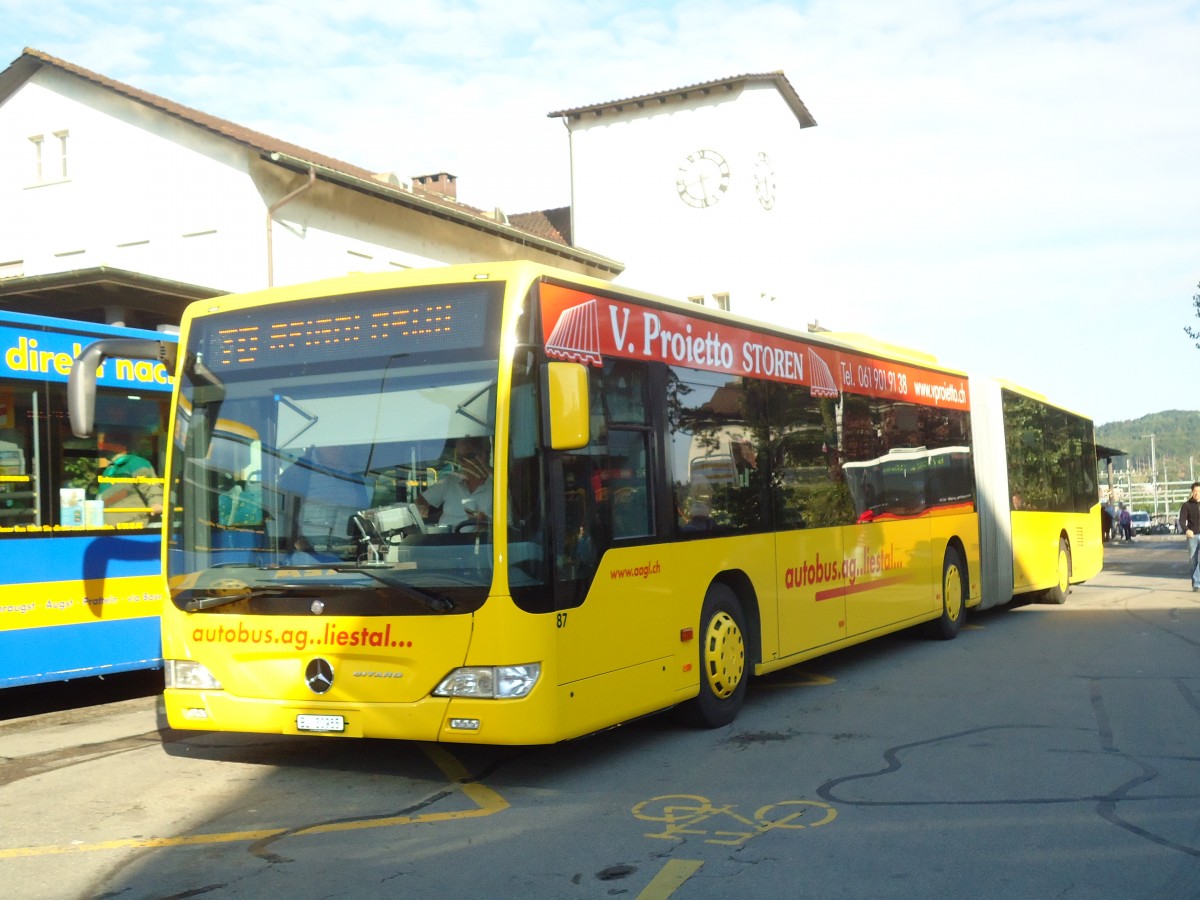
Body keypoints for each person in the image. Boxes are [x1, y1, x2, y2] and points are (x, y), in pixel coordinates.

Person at [278, 444, 371, 557]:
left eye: (343, 446)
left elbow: (364, 516)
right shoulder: (298, 473)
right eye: (335, 445)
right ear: (320, 445)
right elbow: (283, 518)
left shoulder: (355, 477)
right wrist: (301, 547)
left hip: (349, 555)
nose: (340, 449)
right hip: (308, 556)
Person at [418, 436, 493, 531]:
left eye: (466, 457)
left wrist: (486, 522)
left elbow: (507, 525)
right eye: (459, 458)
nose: (462, 463)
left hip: (483, 539)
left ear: (483, 456)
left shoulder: (498, 484)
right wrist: (422, 507)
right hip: (445, 538)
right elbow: (421, 500)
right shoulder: (450, 480)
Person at [97, 430, 163, 525]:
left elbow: (151, 485)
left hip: (132, 528)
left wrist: (156, 503)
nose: (102, 447)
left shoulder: (135, 463)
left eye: (106, 442)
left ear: (117, 444)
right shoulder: (107, 471)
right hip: (109, 529)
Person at [1179, 482, 1200, 592]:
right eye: (1195, 491)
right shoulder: (1186, 505)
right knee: (1193, 561)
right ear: (1192, 492)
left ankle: (1197, 582)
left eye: (1199, 491)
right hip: (1193, 536)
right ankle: (1196, 585)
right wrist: (1187, 530)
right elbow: (1182, 521)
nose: (1197, 493)